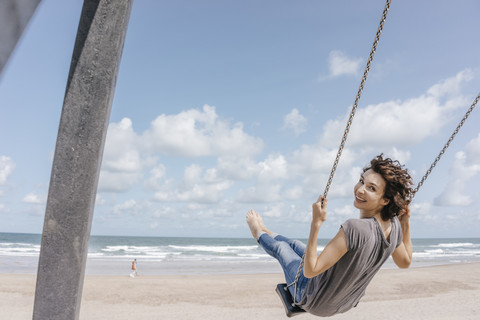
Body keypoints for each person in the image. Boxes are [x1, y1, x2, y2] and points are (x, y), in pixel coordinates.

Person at [246, 154, 413, 317]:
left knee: (282, 248)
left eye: (371, 188)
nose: (360, 189)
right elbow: (405, 262)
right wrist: (405, 224)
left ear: (385, 200)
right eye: (362, 181)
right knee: (295, 244)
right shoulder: (394, 225)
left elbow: (311, 271)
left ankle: (257, 232)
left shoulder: (356, 228)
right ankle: (266, 230)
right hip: (342, 302)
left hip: (315, 299)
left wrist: (316, 223)